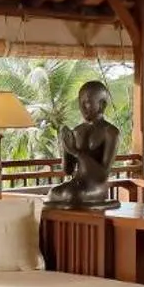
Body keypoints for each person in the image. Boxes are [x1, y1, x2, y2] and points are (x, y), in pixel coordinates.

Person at [47, 80, 121, 209]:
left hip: (97, 186)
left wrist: (76, 152)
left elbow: (102, 175)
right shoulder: (77, 130)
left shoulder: (110, 132)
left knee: (73, 195)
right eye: (80, 103)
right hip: (77, 183)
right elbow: (68, 170)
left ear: (102, 105)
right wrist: (65, 147)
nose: (83, 107)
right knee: (53, 193)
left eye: (87, 102)